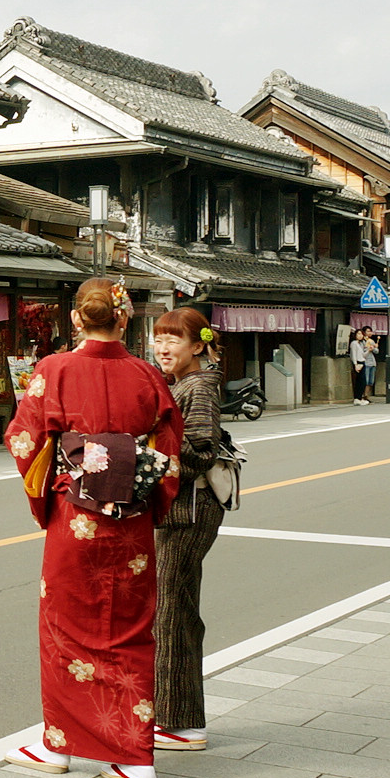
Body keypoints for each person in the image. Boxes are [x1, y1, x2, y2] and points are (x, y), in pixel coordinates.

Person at [2, 277, 183, 778]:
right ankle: (136, 757)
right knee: (130, 629)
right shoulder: (148, 375)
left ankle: (58, 746)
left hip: (74, 522)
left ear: (77, 319)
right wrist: (148, 500)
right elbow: (169, 452)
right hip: (131, 524)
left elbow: (23, 438)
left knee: (65, 628)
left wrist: (58, 485)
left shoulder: (53, 370)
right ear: (123, 317)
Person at [152, 307, 227, 753]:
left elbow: (201, 450)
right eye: (158, 339)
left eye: (172, 340)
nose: (162, 348)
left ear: (197, 346)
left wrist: (154, 437)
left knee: (171, 612)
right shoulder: (183, 383)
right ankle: (178, 716)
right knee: (175, 607)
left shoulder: (199, 387)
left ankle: (181, 723)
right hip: (182, 510)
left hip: (190, 510)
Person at [351, 326, 376, 404]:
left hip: (362, 361)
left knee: (363, 381)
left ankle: (359, 397)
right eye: (358, 334)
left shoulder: (361, 343)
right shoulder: (354, 343)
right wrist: (355, 364)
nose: (360, 335)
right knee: (360, 381)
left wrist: (369, 350)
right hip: (358, 362)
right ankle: (357, 398)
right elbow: (353, 354)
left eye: (361, 334)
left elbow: (363, 355)